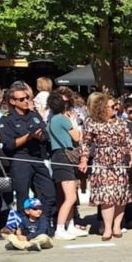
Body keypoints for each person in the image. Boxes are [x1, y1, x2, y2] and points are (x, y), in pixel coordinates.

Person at [78, 92, 132, 241]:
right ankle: (107, 227)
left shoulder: (121, 122)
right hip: (102, 162)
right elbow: (85, 143)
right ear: (102, 108)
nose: (115, 109)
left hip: (119, 162)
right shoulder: (91, 122)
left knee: (120, 196)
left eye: (115, 106)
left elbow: (130, 142)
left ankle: (117, 226)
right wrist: (84, 160)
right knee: (106, 197)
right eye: (111, 107)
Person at [0, 81, 56, 208]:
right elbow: (8, 144)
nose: (26, 101)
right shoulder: (7, 119)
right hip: (20, 160)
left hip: (38, 158)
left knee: (49, 193)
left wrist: (40, 136)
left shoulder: (34, 115)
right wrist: (28, 137)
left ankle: (43, 223)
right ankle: (24, 225)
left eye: (27, 98)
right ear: (13, 101)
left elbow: (46, 136)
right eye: (22, 99)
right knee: (22, 195)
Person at [46, 93, 85, 240]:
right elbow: (77, 137)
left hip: (58, 156)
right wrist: (73, 121)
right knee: (70, 196)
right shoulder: (62, 119)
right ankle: (60, 228)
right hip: (64, 156)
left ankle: (70, 225)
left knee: (68, 195)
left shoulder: (51, 120)